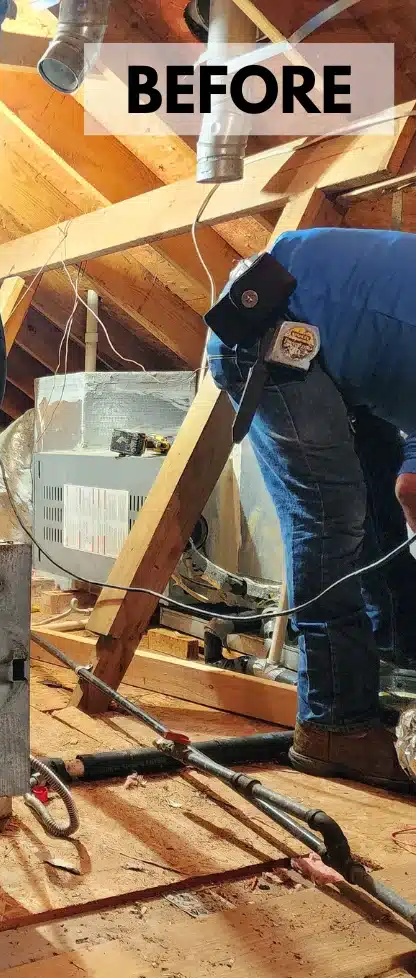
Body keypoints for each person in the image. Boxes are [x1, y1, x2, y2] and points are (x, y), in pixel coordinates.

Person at [207, 227, 416, 792]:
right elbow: (414, 493)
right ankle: (333, 725)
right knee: (330, 516)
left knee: (373, 489)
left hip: (329, 339)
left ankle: (398, 673)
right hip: (272, 332)